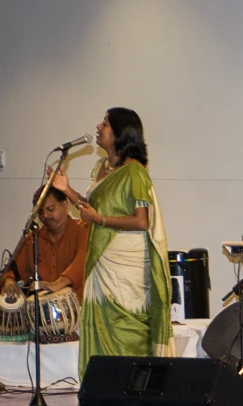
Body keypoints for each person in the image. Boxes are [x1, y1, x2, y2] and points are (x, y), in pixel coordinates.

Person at [52, 107, 174, 378]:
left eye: (105, 123)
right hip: (101, 266)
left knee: (125, 328)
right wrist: (65, 190)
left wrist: (101, 220)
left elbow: (141, 221)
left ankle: (131, 393)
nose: (98, 126)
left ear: (120, 134)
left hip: (124, 270)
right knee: (101, 325)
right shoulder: (102, 169)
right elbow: (90, 210)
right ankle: (103, 393)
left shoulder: (135, 173)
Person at [1, 185, 88, 303]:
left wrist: (58, 284)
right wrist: (9, 281)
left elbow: (83, 261)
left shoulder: (83, 231)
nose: (45, 216)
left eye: (50, 209)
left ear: (65, 204)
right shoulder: (33, 239)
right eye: (40, 212)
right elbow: (15, 271)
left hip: (79, 309)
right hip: (44, 314)